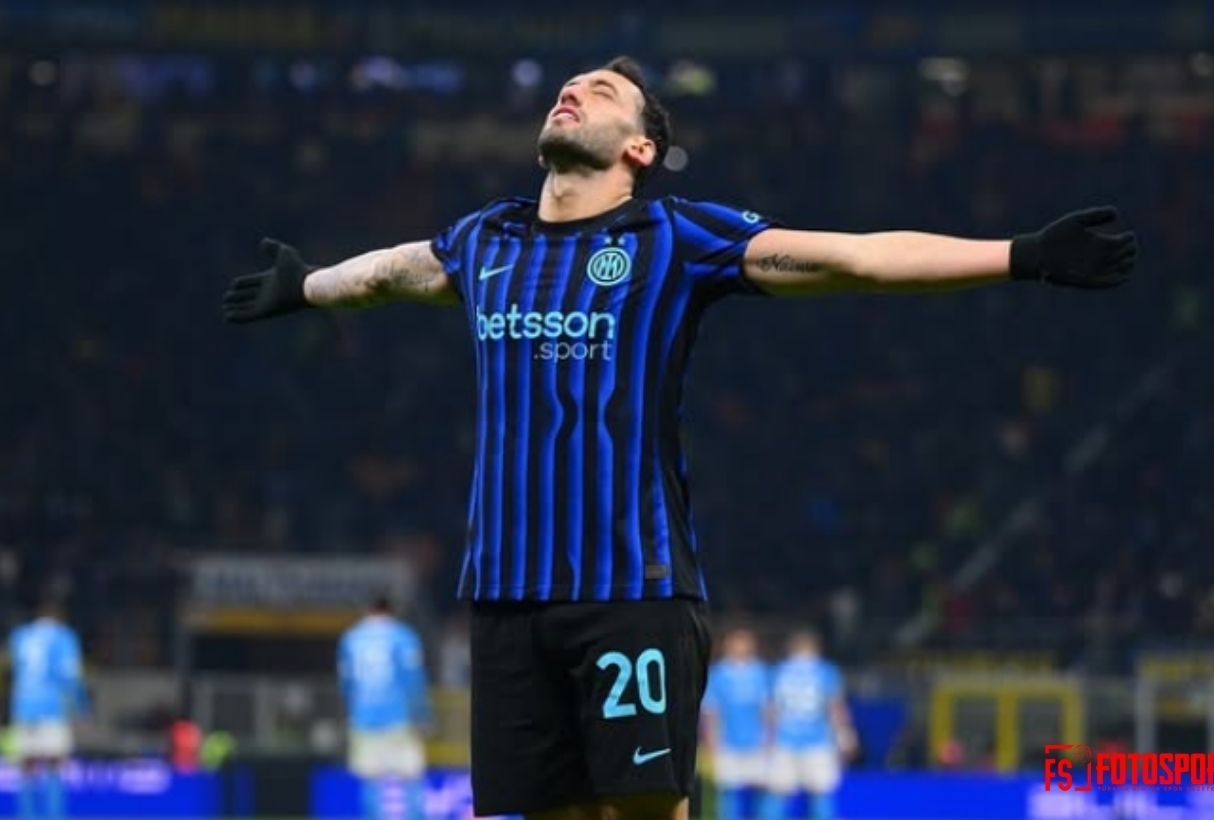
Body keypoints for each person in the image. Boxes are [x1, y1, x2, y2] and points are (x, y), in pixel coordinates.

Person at [222, 55, 1137, 820]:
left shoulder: (672, 235)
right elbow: (390, 272)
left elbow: (855, 257)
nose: (573, 92)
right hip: (504, 596)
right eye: (569, 86)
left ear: (640, 149)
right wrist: (305, 285)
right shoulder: (486, 239)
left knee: (647, 812)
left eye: (601, 92)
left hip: (631, 587)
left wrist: (1021, 256)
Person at [338, 595, 430, 820]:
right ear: (391, 611)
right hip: (400, 717)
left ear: (368, 610)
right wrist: (422, 714)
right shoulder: (403, 636)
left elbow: (346, 684)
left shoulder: (351, 638)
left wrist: (350, 713)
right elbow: (413, 680)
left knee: (371, 779)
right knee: (411, 776)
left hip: (364, 718)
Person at [762, 630, 856, 820]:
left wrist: (766, 738)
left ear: (790, 649)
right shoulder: (826, 671)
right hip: (817, 740)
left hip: (783, 739)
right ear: (816, 649)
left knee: (776, 793)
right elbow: (834, 707)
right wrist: (846, 737)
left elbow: (770, 710)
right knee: (821, 793)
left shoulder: (778, 671)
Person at [8, 600, 84, 820]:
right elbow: (69, 675)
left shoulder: (20, 635)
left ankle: (26, 815)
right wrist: (81, 704)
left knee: (26, 764)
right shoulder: (63, 637)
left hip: (23, 706)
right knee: (55, 762)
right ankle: (54, 815)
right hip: (51, 707)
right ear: (59, 618)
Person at [701, 627, 770, 820]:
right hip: (727, 741)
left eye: (745, 642)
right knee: (727, 790)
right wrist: (712, 738)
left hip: (756, 740)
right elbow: (711, 710)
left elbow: (766, 708)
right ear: (727, 645)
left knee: (761, 789)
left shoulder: (760, 672)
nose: (741, 646)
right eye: (736, 642)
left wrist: (768, 735)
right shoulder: (718, 673)